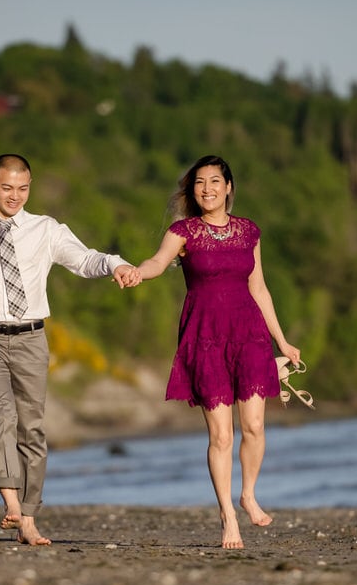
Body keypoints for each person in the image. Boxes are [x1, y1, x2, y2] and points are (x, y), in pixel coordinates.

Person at [0, 153, 139, 546]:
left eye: (23, 188)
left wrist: (115, 265)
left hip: (31, 339)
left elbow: (84, 258)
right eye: (7, 188)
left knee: (33, 429)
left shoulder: (46, 229)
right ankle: (10, 499)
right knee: (0, 411)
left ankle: (28, 517)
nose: (15, 196)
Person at [126, 155, 300, 549]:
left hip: (249, 334)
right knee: (221, 435)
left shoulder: (248, 232)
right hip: (205, 337)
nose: (207, 189)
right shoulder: (183, 231)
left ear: (228, 188)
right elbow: (157, 262)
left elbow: (259, 288)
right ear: (193, 191)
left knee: (254, 426)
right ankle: (227, 517)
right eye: (199, 183)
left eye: (214, 182)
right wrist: (138, 271)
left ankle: (248, 494)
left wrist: (282, 341)